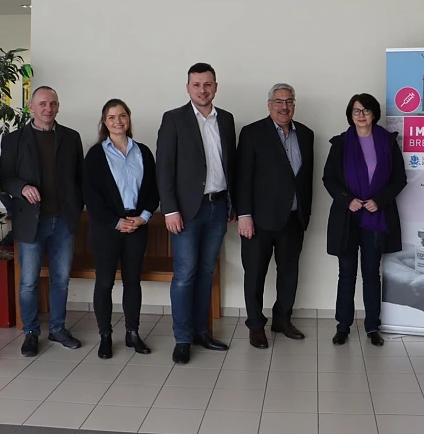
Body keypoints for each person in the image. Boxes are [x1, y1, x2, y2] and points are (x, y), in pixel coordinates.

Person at [156, 63, 237, 364]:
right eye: (196, 84)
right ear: (188, 87)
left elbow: (232, 165)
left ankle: (202, 331)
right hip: (186, 211)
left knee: (206, 272)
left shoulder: (226, 120)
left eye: (207, 84)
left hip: (218, 207)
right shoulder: (174, 119)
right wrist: (170, 210)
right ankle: (183, 338)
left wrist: (234, 205)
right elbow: (163, 168)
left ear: (216, 86)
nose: (202, 89)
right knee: (185, 275)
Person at [0, 86, 84, 356]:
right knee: (28, 282)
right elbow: (4, 179)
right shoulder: (14, 139)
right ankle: (31, 332)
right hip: (30, 223)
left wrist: (76, 207)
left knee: (61, 280)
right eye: (43, 103)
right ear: (31, 107)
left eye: (53, 103)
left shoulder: (71, 137)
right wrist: (22, 188)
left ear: (58, 107)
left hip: (63, 222)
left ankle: (58, 328)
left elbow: (80, 178)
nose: (48, 108)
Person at [323, 93, 407, 347]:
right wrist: (347, 199)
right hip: (347, 217)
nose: (361, 115)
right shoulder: (340, 143)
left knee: (371, 273)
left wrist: (379, 200)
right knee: (346, 273)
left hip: (375, 217)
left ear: (374, 114)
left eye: (366, 111)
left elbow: (399, 179)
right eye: (356, 111)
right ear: (350, 115)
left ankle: (372, 327)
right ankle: (343, 326)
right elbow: (329, 178)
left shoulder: (387, 142)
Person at [236, 83, 314, 349]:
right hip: (258, 221)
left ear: (294, 104)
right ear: (269, 104)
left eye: (289, 101)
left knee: (289, 273)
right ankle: (256, 326)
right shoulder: (252, 133)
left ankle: (282, 320)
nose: (284, 106)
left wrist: (306, 213)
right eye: (279, 101)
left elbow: (306, 179)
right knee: (255, 275)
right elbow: (242, 177)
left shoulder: (305, 134)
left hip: (293, 219)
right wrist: (244, 215)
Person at [83, 99, 159, 359]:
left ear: (129, 119)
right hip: (107, 228)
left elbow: (153, 191)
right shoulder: (96, 154)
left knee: (132, 282)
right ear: (104, 122)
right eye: (112, 117)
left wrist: (143, 217)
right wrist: (116, 222)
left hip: (137, 226)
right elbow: (91, 197)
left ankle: (133, 333)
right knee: (104, 283)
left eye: (122, 116)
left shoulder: (143, 152)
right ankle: (105, 335)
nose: (118, 121)